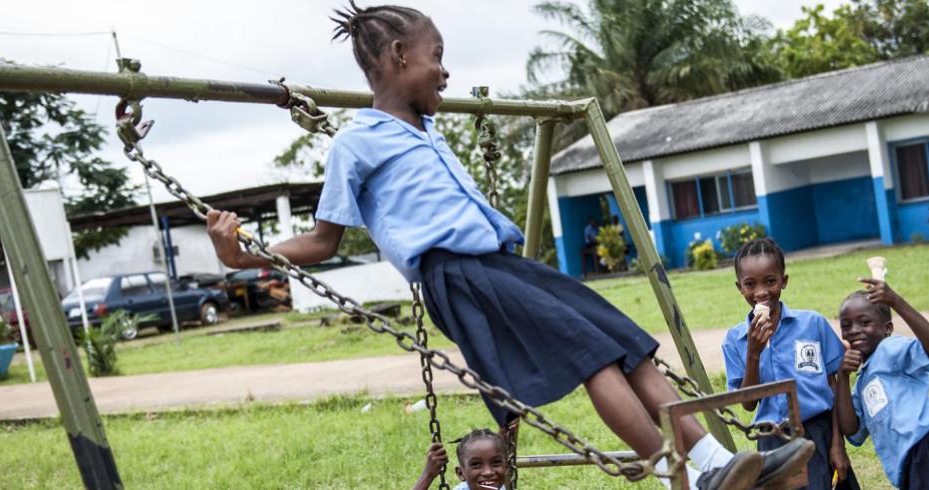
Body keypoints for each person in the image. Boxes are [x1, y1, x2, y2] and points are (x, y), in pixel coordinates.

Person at [205, 3, 810, 488]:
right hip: (459, 275)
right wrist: (243, 255)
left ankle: (711, 461)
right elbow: (321, 239)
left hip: (503, 264)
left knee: (629, 345)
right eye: (435, 57)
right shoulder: (356, 143)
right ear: (397, 57)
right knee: (589, 354)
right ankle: (678, 472)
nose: (444, 71)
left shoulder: (427, 129)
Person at [721, 238, 859, 490]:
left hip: (818, 431)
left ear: (784, 281)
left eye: (770, 281)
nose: (761, 292)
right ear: (739, 287)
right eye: (750, 284)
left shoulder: (812, 324)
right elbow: (748, 404)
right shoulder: (735, 340)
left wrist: (837, 445)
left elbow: (833, 384)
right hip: (771, 440)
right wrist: (753, 353)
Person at [834, 279, 929, 489]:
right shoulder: (862, 381)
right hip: (913, 457)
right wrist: (843, 376)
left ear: (887, 329)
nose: (854, 330)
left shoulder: (890, 348)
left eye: (864, 322)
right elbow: (851, 428)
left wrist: (897, 302)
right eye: (846, 326)